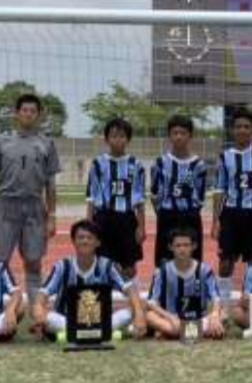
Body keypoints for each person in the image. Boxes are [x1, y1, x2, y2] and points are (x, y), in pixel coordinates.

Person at [0, 93, 61, 304]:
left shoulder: (47, 143)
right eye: (24, 110)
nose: (28, 114)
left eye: (33, 111)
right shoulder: (0, 140)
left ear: (39, 115)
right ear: (16, 113)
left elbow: (51, 184)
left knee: (33, 262)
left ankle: (36, 312)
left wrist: (51, 215)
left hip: (35, 208)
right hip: (5, 206)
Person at [32, 219, 147, 340]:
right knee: (48, 317)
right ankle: (102, 334)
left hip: (101, 320)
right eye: (80, 237)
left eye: (89, 238)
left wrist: (139, 315)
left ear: (98, 242)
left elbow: (130, 289)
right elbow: (42, 294)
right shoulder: (62, 266)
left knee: (138, 307)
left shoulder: (108, 266)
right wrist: (39, 311)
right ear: (74, 241)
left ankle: (74, 334)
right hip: (66, 319)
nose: (85, 241)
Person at [211, 107, 252, 304]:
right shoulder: (225, 157)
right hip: (231, 214)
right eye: (238, 126)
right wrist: (216, 221)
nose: (242, 130)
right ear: (232, 130)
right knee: (225, 262)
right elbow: (219, 190)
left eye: (246, 127)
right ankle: (223, 307)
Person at [86, 117, 146, 279]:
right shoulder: (98, 164)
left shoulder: (136, 165)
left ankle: (131, 301)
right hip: (103, 219)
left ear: (128, 139)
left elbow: (140, 199)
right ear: (106, 139)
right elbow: (91, 197)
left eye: (122, 136)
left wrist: (141, 227)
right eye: (113, 135)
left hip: (127, 219)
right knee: (102, 264)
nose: (118, 139)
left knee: (129, 267)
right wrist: (89, 225)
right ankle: (106, 301)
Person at [146, 227, 225, 340]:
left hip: (198, 318)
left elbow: (216, 298)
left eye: (186, 245)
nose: (182, 249)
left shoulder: (205, 270)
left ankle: (173, 333)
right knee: (150, 316)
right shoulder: (162, 272)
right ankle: (199, 331)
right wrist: (171, 317)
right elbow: (151, 302)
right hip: (172, 319)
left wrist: (215, 314)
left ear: (194, 246)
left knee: (222, 314)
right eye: (178, 246)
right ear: (170, 247)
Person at [151, 114, 207, 268]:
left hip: (190, 217)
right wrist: (163, 213)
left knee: (193, 260)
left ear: (190, 136)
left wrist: (190, 212)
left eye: (183, 133)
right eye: (175, 133)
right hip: (167, 217)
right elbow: (154, 194)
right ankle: (164, 290)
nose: (179, 137)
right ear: (169, 136)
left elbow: (200, 196)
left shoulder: (199, 165)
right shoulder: (160, 163)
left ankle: (191, 290)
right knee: (164, 261)